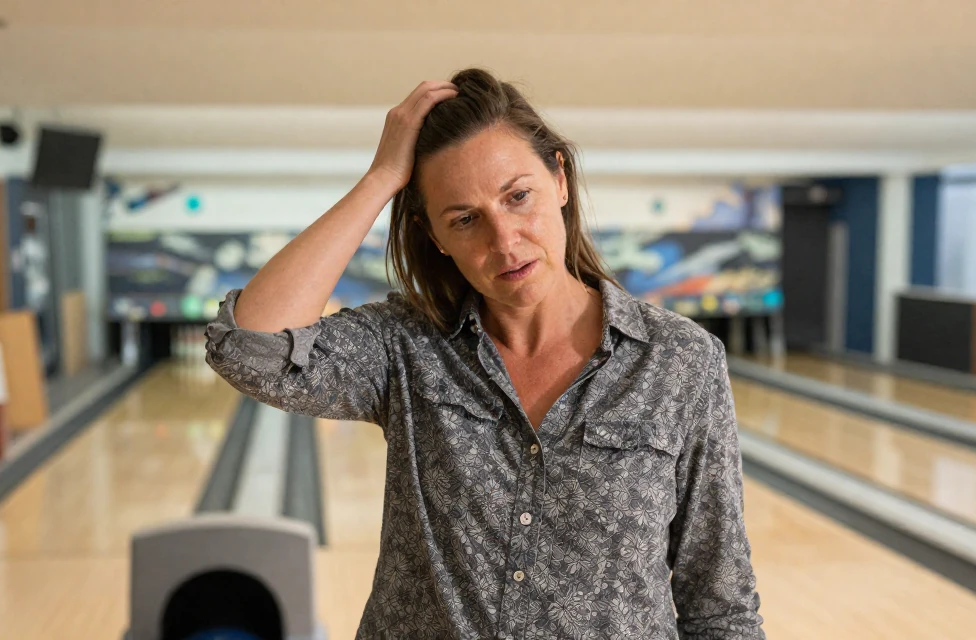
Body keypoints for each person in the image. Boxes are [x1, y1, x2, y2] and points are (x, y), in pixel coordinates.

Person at [206, 68, 764, 639]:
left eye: (518, 197)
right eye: (465, 220)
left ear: (560, 179)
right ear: (434, 236)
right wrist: (381, 179)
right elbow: (249, 349)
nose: (504, 240)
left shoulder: (678, 362)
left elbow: (719, 605)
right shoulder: (405, 347)